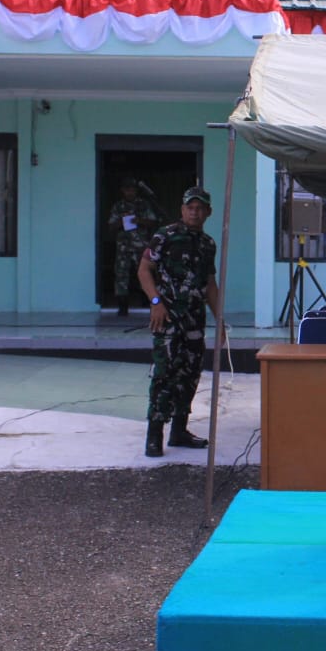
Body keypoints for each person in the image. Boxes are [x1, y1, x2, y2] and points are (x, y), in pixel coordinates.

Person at [136, 186, 221, 457]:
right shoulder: (165, 236)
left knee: (190, 374)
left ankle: (179, 430)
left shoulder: (208, 244)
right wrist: (155, 302)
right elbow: (144, 269)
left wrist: (220, 321)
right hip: (169, 317)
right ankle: (154, 433)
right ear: (182, 210)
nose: (194, 212)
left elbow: (210, 284)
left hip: (195, 320)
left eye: (200, 208)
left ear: (208, 212)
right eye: (190, 207)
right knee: (164, 375)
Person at [108, 177, 160, 316]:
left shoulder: (144, 204)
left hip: (141, 247)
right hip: (123, 248)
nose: (129, 192)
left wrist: (139, 220)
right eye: (127, 189)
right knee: (121, 276)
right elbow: (111, 227)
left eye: (132, 189)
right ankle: (123, 306)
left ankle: (149, 302)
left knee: (144, 274)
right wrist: (121, 221)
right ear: (122, 191)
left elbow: (154, 222)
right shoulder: (118, 206)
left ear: (136, 190)